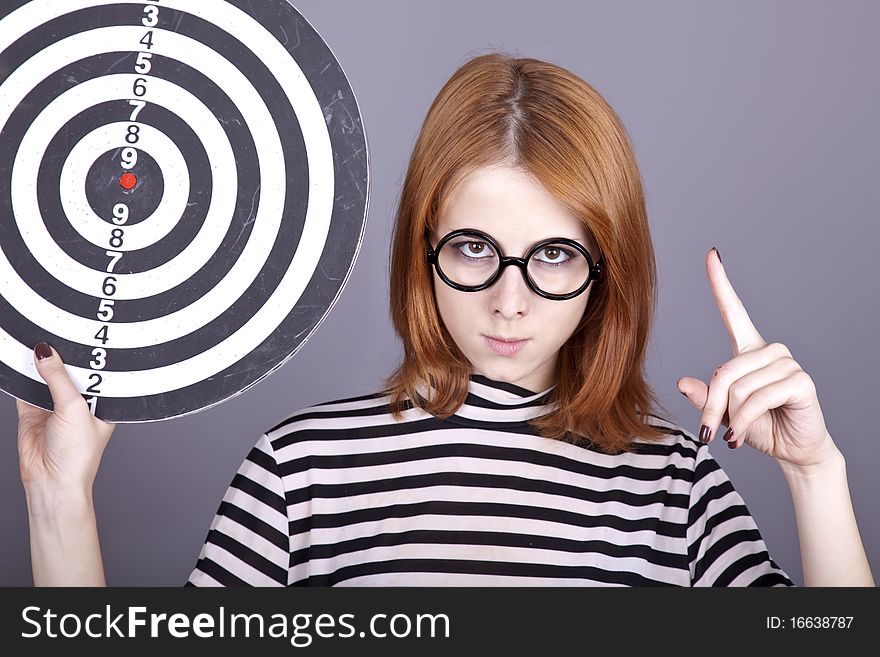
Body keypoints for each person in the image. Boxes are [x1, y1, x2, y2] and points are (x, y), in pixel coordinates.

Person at [17, 53, 874, 587]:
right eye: (473, 248)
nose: (510, 300)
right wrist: (60, 502)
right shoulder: (297, 470)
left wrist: (815, 474)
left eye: (554, 255)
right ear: (421, 245)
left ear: (608, 271)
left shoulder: (677, 487)